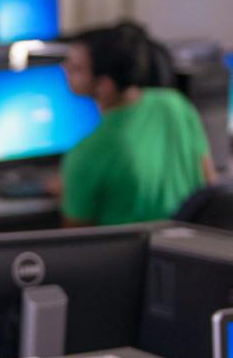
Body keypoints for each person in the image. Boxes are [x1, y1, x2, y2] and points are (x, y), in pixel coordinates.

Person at [59, 21, 216, 226]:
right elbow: (209, 184)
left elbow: (75, 239)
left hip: (129, 257)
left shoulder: (87, 154)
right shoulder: (174, 104)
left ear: (104, 86)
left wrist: (72, 191)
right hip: (188, 248)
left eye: (75, 68)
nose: (64, 68)